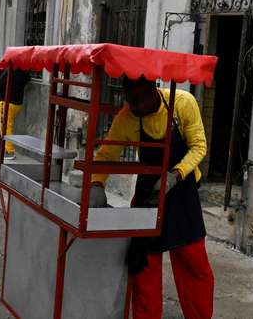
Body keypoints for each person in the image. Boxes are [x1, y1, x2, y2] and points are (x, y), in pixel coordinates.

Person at [90, 76, 213, 319]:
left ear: (152, 90)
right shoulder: (127, 117)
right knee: (144, 265)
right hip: (148, 195)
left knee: (193, 264)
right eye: (130, 101)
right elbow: (106, 154)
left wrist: (174, 175)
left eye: (139, 101)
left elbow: (199, 146)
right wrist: (96, 183)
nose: (134, 108)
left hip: (182, 194)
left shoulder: (182, 103)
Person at [0, 68, 31, 160]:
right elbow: (28, 79)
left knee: (5, 128)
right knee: (9, 126)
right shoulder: (24, 71)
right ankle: (8, 149)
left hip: (7, 102)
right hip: (17, 103)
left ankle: (9, 151)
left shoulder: (9, 70)